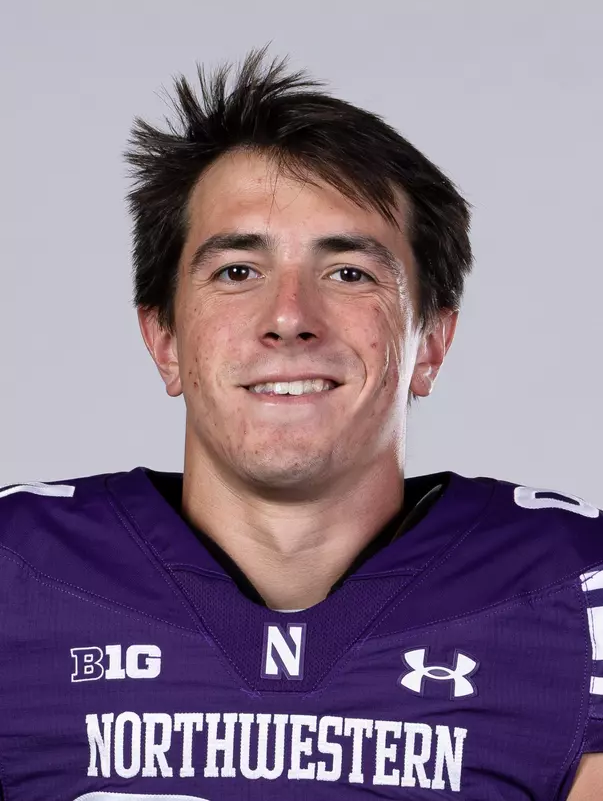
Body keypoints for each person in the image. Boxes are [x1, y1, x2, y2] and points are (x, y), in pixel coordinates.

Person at [0, 47, 601, 800]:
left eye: (348, 272)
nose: (288, 318)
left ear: (431, 343)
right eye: (236, 272)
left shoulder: (574, 591)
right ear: (165, 341)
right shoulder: (17, 575)